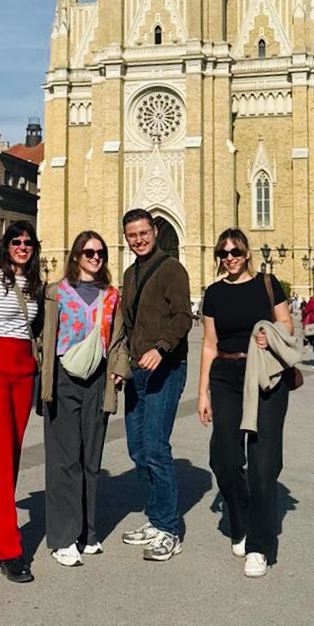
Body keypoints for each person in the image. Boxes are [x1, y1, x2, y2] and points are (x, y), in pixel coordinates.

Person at [198, 229, 294, 578]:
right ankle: (240, 517)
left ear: (248, 252)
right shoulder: (214, 293)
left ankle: (259, 544)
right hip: (225, 374)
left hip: (265, 376)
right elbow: (209, 344)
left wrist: (269, 333)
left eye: (235, 250)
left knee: (263, 464)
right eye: (222, 253)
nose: (229, 257)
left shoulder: (269, 284)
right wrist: (203, 392)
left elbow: (288, 325)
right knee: (223, 458)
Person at [40, 231, 128, 568]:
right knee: (65, 460)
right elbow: (40, 335)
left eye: (100, 252)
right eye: (88, 252)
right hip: (63, 378)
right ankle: (63, 538)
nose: (95, 257)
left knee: (91, 458)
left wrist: (119, 369)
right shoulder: (55, 293)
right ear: (76, 255)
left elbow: (119, 340)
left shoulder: (111, 295)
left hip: (98, 380)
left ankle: (87, 533)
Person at [117, 208, 193, 563]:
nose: (138, 239)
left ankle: (168, 528)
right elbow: (127, 324)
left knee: (156, 447)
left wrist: (161, 348)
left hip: (166, 368)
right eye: (132, 235)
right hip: (137, 372)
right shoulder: (130, 274)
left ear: (154, 231)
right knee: (137, 448)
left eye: (143, 233)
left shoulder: (172, 269)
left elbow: (183, 317)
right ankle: (154, 516)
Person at [0, 223, 42, 584]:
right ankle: (8, 550)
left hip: (23, 372)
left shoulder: (32, 282)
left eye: (28, 242)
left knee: (11, 457)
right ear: (6, 245)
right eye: (16, 242)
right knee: (0, 460)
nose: (22, 247)